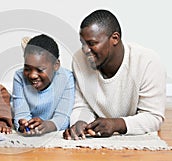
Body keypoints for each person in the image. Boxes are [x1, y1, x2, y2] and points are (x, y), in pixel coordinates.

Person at [63, 9, 166, 140]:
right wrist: (81, 123)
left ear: (115, 38)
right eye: (83, 43)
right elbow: (81, 105)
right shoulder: (79, 60)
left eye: (91, 43)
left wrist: (117, 124)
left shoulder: (147, 62)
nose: (85, 50)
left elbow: (153, 117)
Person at [13, 34, 75, 136]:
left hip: (51, 128)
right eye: (27, 69)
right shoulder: (19, 77)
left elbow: (63, 118)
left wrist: (47, 126)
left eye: (40, 69)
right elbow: (21, 114)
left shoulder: (67, 78)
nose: (32, 75)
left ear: (56, 65)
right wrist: (26, 125)